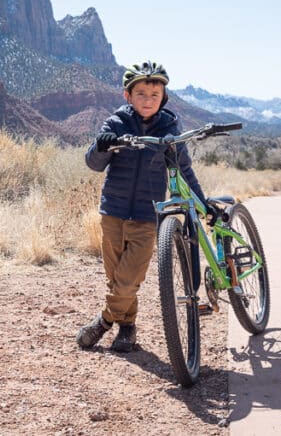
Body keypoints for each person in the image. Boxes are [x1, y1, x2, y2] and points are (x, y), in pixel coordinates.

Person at [76, 60, 208, 353]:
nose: (148, 101)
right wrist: (102, 145)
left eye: (154, 95)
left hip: (148, 216)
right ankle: (127, 328)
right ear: (127, 96)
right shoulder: (114, 123)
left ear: (163, 97)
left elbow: (184, 169)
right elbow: (93, 164)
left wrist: (202, 204)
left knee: (127, 279)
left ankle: (102, 322)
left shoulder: (170, 128)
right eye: (141, 95)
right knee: (116, 278)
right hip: (112, 212)